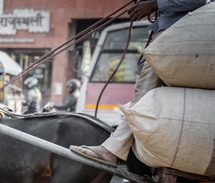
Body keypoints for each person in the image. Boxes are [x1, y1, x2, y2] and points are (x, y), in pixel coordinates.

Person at [70, 0, 208, 167]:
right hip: (171, 35)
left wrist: (156, 4)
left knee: (142, 96)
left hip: (175, 38)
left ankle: (111, 151)